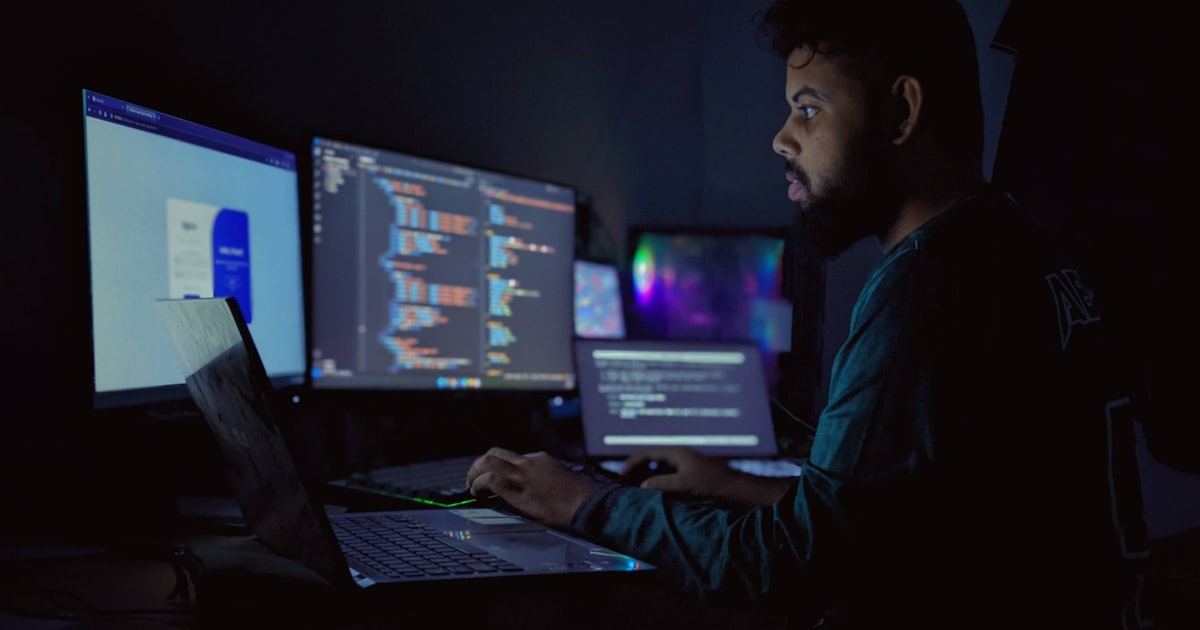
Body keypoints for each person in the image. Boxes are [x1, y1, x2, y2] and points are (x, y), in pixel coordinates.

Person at [466, 0, 1153, 627]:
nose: (782, 138)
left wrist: (581, 502)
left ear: (901, 112)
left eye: (810, 107)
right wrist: (733, 484)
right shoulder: (1014, 243)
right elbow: (921, 516)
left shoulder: (929, 285)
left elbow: (793, 564)